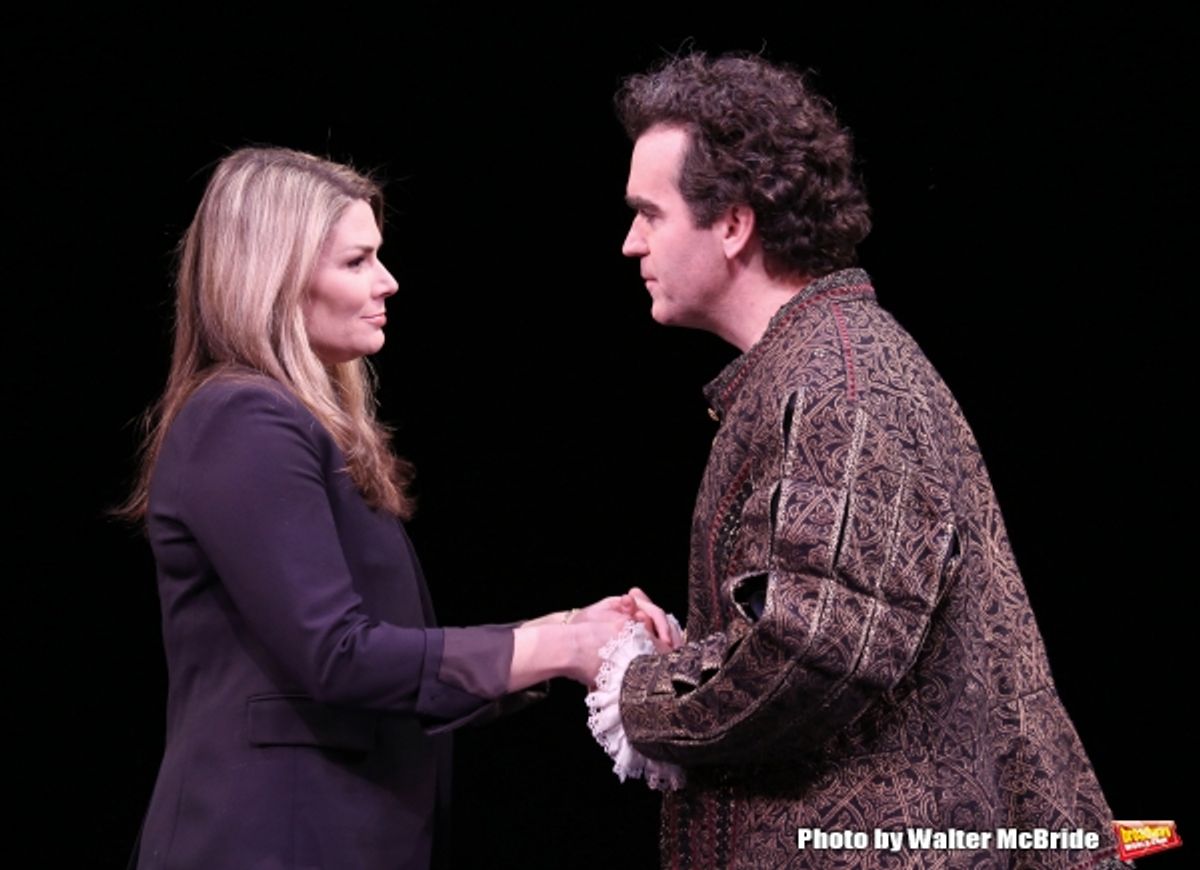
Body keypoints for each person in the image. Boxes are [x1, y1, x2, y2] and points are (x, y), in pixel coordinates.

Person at [593, 53, 1125, 868]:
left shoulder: (839, 380)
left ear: (733, 224)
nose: (631, 243)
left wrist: (638, 690)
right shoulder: (813, 367)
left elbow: (809, 651)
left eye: (649, 214)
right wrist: (690, 660)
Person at [122, 146, 675, 870]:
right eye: (357, 261)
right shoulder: (242, 420)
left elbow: (383, 652)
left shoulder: (291, 422)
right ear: (276, 278)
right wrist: (558, 649)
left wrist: (568, 631)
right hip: (265, 842)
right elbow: (338, 656)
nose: (388, 281)